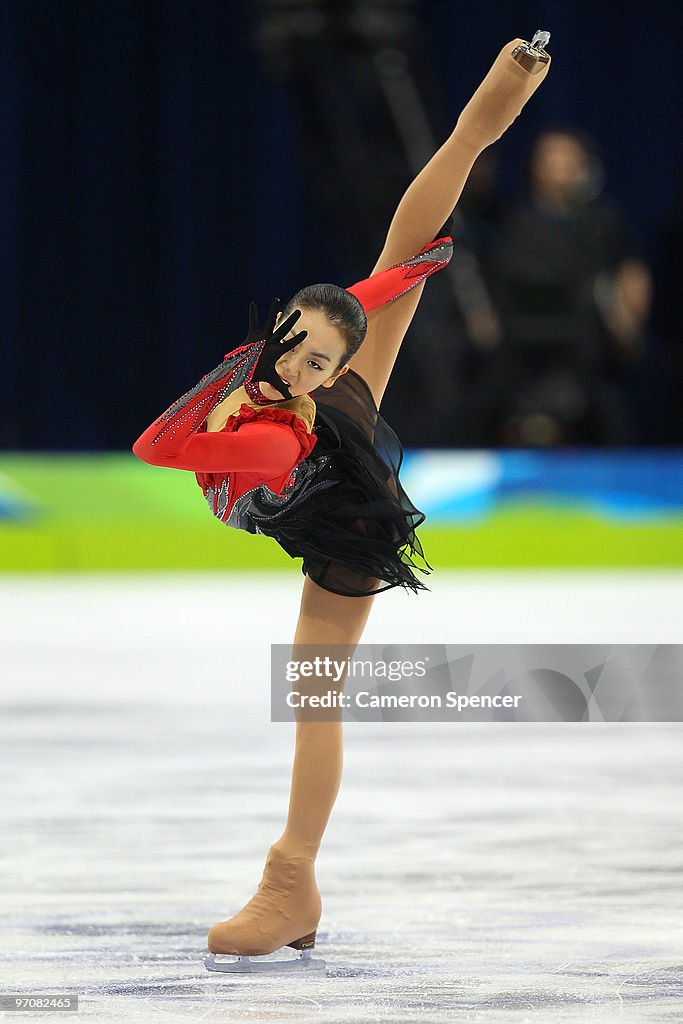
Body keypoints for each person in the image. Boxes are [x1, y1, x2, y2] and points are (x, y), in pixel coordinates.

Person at [132, 36, 551, 971]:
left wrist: (243, 382)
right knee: (401, 250)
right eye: (294, 346)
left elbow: (158, 446)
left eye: (320, 363)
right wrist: (379, 286)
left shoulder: (276, 427)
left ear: (335, 370)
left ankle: (291, 880)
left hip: (345, 525)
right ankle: (484, 116)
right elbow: (390, 259)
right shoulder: (296, 354)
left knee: (311, 692)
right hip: (314, 454)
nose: (297, 367)